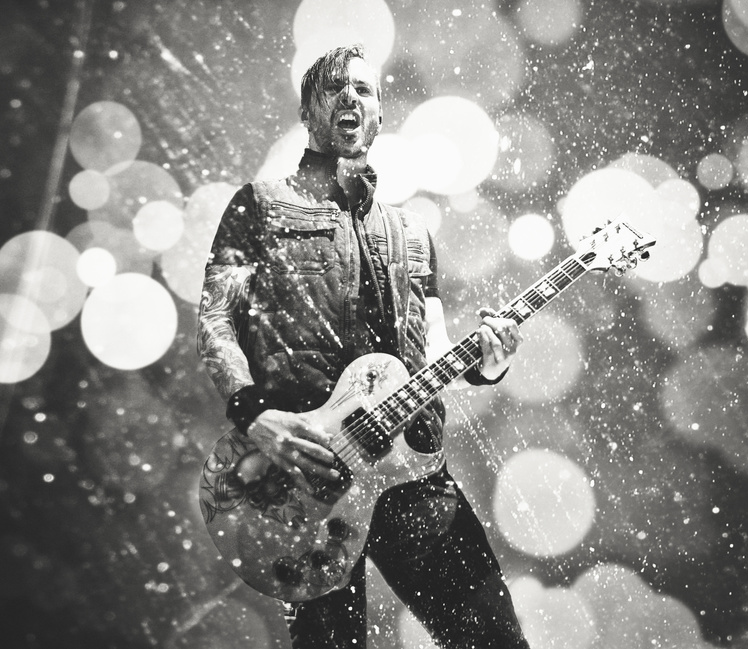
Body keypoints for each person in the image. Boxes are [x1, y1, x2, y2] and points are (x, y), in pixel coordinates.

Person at [197, 44, 530, 649]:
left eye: (364, 89)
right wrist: (254, 415)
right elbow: (216, 320)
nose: (350, 97)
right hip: (307, 478)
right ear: (307, 111)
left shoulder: (412, 232)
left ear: (379, 113)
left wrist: (487, 364)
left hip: (415, 474)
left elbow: (433, 352)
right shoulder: (259, 206)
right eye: (333, 87)